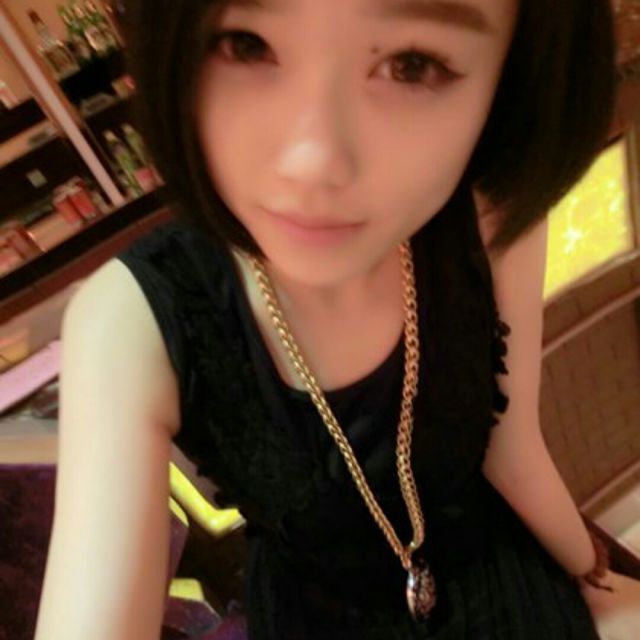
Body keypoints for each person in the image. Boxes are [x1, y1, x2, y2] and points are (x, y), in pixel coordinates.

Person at [33, 0, 639, 639]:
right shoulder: (131, 319)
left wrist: (595, 573)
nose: (313, 162)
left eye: (412, 64)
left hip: (495, 584)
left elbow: (513, 452)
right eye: (245, 44)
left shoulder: (490, 218)